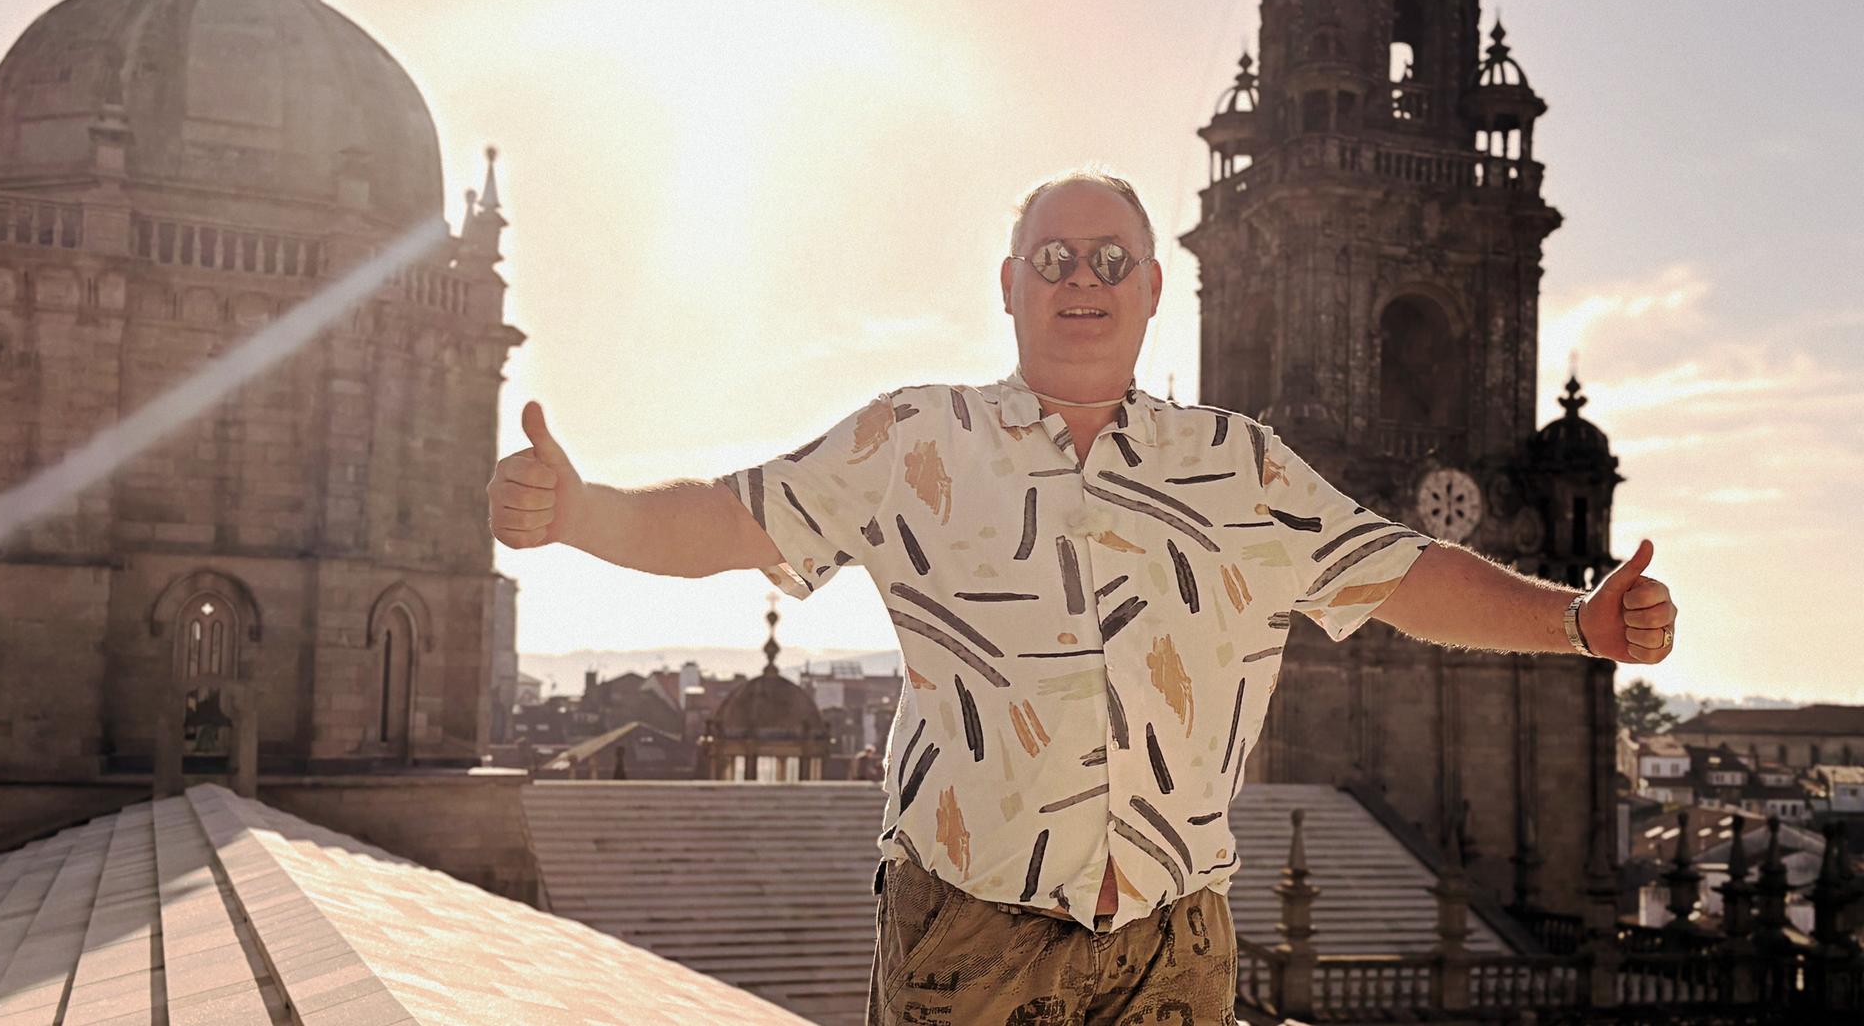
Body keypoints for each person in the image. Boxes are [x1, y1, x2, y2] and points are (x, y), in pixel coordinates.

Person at [486, 171, 1679, 1025]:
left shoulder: (1241, 467)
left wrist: (1574, 622)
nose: (1082, 281)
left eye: (1111, 261)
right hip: (969, 938)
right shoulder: (916, 440)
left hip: (1175, 947)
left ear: (1152, 289)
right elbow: (733, 519)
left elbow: (1408, 575)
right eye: (1053, 259)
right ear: (1011, 285)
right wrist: (582, 512)